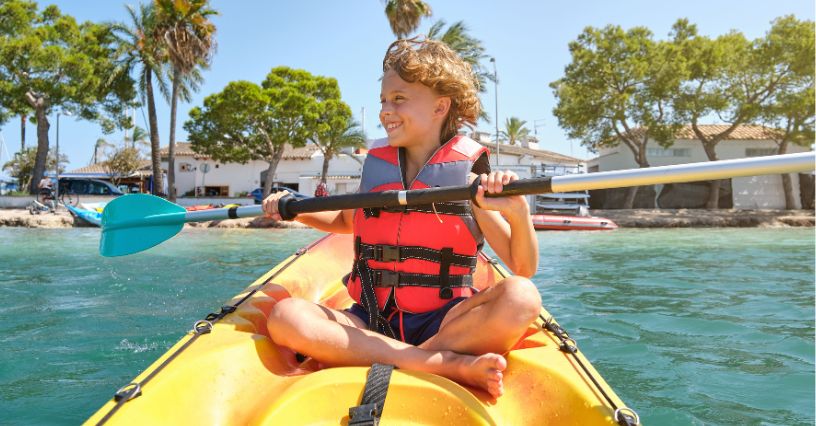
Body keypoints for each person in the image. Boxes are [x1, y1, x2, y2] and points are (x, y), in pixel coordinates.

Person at [262, 38, 540, 399]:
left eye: (398, 99)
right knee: (286, 317)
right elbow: (345, 221)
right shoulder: (378, 168)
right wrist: (291, 208)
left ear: (441, 106)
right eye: (383, 101)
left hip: (445, 322)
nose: (385, 111)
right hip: (369, 319)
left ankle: (418, 354)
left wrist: (518, 212)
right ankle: (438, 363)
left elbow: (523, 267)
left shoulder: (467, 180)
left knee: (522, 298)